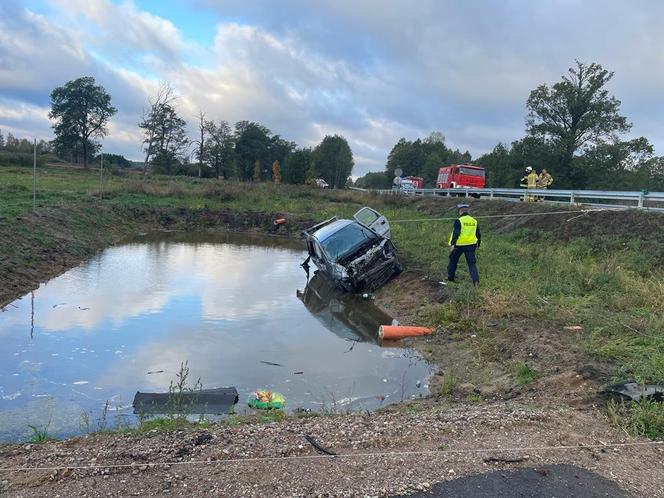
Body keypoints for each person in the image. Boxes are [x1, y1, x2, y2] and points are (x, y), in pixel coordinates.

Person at [446, 204, 480, 285]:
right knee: (471, 263)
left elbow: (456, 233)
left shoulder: (459, 220)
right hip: (471, 245)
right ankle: (476, 281)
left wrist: (452, 244)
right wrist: (479, 243)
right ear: (468, 211)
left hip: (459, 245)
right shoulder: (474, 221)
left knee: (453, 261)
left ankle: (450, 278)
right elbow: (478, 233)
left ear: (460, 211)